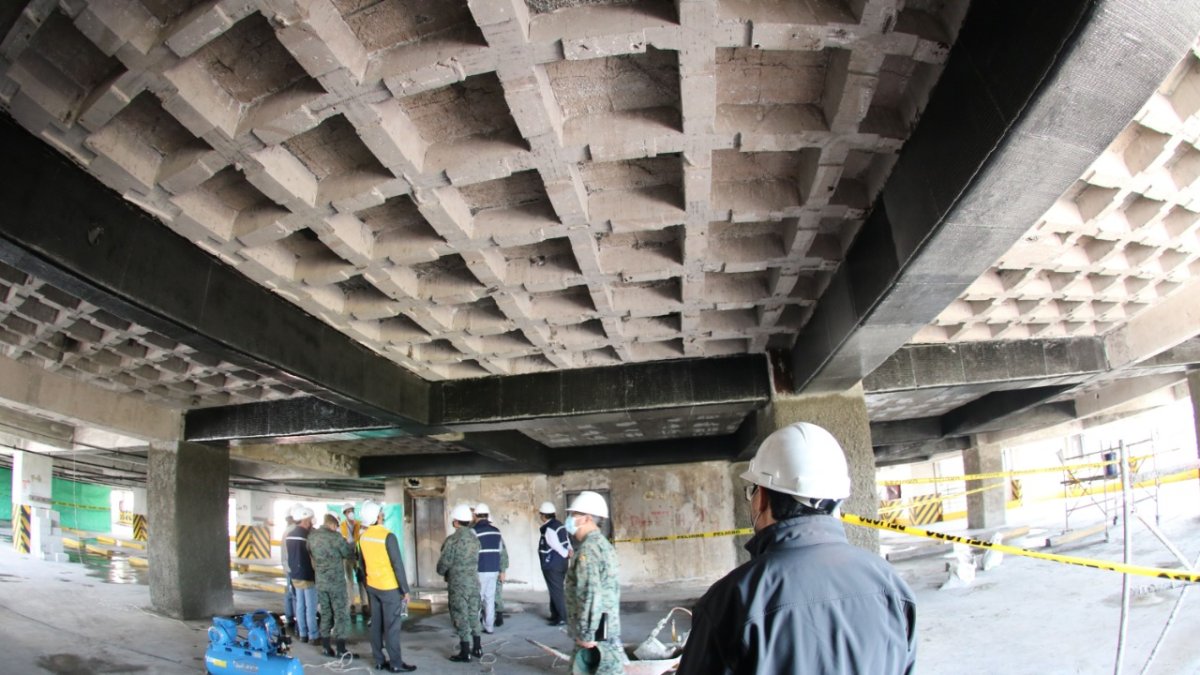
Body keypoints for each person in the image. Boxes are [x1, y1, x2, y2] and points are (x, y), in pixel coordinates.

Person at [677, 422, 918, 675]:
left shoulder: (733, 599)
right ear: (837, 500)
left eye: (753, 491)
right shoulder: (891, 584)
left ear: (762, 497)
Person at [564, 491, 623, 674]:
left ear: (587, 518)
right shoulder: (603, 545)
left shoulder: (588, 550)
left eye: (574, 515)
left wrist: (587, 633)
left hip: (595, 635)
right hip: (605, 628)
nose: (570, 519)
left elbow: (590, 593)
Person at [357, 500, 416, 672]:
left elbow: (362, 565)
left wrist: (368, 584)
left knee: (376, 624)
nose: (382, 515)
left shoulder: (363, 537)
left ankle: (378, 660)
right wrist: (405, 590)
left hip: (372, 586)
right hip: (388, 588)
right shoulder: (387, 536)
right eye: (381, 513)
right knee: (391, 627)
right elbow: (397, 565)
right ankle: (396, 664)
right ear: (378, 517)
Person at [437, 503, 482, 663]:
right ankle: (477, 647)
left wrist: (441, 571)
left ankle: (465, 651)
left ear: (456, 522)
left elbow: (444, 563)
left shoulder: (452, 540)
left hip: (458, 584)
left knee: (460, 615)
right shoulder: (475, 540)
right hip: (474, 582)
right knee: (473, 613)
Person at [308, 513, 355, 658]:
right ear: (333, 524)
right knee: (341, 614)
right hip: (336, 584)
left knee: (326, 613)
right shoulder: (336, 537)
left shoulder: (312, 536)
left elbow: (310, 554)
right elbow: (348, 553)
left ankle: (326, 647)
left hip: (321, 582)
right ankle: (341, 649)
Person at [471, 503, 507, 634]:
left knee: (476, 599)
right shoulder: (497, 531)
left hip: (480, 570)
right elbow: (500, 551)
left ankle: (475, 628)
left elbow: (471, 552)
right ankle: (489, 627)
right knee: (489, 599)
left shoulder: (473, 531)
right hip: (493, 569)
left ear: (475, 515)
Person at [284, 506, 319, 644]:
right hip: (307, 575)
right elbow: (312, 555)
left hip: (295, 574)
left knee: (300, 605)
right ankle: (313, 635)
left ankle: (302, 633)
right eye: (310, 519)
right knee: (311, 607)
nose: (311, 522)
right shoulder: (306, 536)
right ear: (305, 520)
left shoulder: (290, 534)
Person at [537, 501, 571, 626]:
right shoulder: (559, 525)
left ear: (543, 515)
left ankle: (562, 617)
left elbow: (555, 545)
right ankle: (555, 615)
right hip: (562, 563)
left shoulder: (549, 528)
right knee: (555, 589)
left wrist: (565, 553)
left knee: (557, 591)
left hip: (553, 563)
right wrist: (569, 551)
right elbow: (566, 541)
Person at [338, 502, 369, 621]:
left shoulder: (359, 525)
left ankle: (364, 604)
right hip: (347, 557)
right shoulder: (341, 527)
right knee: (349, 581)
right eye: (348, 511)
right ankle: (351, 605)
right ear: (345, 514)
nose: (350, 513)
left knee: (361, 580)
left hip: (358, 556)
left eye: (351, 510)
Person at [281, 514, 297, 633]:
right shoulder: (293, 531)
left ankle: (289, 615)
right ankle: (293, 616)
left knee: (289, 591)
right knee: (294, 594)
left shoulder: (287, 530)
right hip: (292, 566)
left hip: (288, 566)